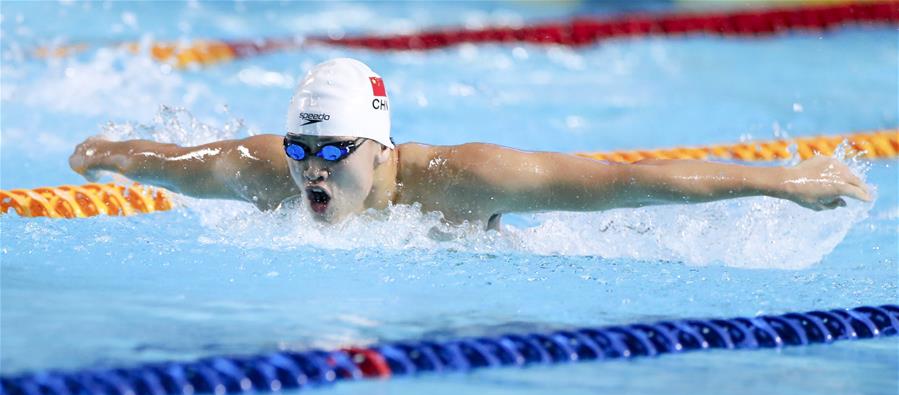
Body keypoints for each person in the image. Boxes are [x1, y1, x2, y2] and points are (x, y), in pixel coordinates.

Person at [69, 58, 871, 230]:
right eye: (300, 150)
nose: (310, 169)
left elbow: (624, 181)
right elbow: (165, 162)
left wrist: (779, 180)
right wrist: (102, 153)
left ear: (380, 149)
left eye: (334, 151)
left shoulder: (466, 179)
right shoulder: (264, 170)